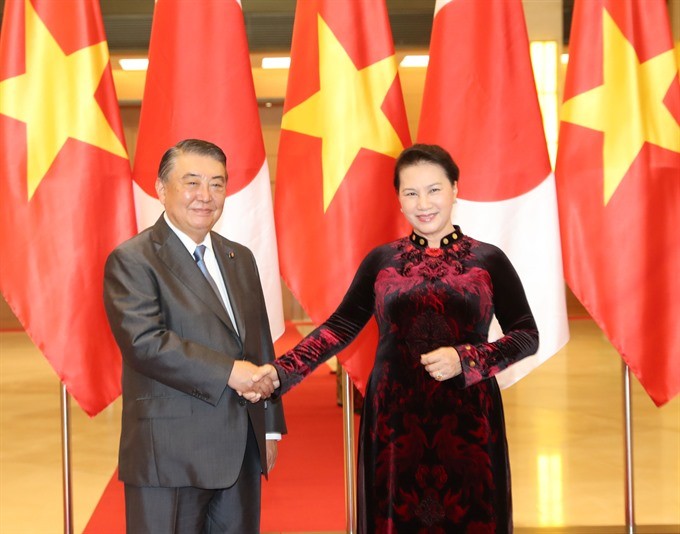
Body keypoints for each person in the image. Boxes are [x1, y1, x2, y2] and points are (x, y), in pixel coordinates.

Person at [255, 144, 538, 533]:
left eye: (434, 189)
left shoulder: (488, 260)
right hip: (394, 421)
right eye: (411, 192)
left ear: (455, 189)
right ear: (399, 200)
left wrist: (468, 358)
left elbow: (526, 335)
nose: (424, 202)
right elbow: (338, 328)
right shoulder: (381, 261)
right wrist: (280, 372)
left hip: (470, 419)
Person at [103, 138, 286, 534]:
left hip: (241, 451)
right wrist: (228, 373)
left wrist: (269, 428)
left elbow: (259, 344)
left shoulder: (240, 257)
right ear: (161, 188)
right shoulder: (133, 259)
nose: (206, 196)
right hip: (169, 455)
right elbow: (145, 343)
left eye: (217, 184)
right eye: (192, 182)